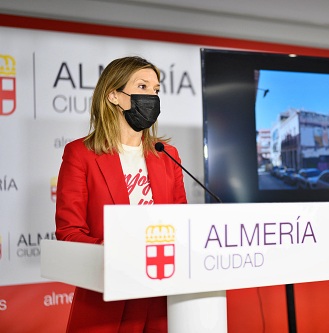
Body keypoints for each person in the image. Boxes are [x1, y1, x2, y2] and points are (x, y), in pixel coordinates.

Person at [55, 56, 187, 332]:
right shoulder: (80, 154)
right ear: (114, 95)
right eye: (142, 86)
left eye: (156, 90)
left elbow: (180, 221)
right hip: (107, 297)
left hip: (161, 293)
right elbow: (70, 232)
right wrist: (113, 250)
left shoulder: (167, 155)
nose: (151, 96)